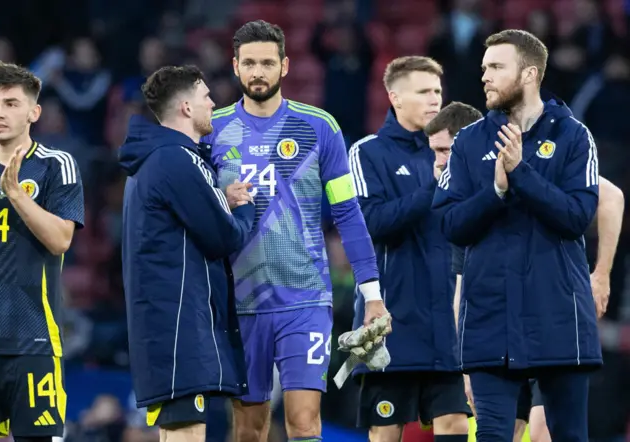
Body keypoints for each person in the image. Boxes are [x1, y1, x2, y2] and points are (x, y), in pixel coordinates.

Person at [202, 20, 388, 442]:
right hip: (238, 302)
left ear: (285, 66)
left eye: (267, 62)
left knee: (304, 422)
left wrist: (372, 296)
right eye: (249, 63)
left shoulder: (319, 127)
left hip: (305, 297)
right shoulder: (210, 131)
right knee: (249, 426)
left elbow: (349, 216)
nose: (258, 72)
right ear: (234, 66)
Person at [432, 28, 602, 442]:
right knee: (492, 435)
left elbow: (577, 217)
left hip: (559, 321)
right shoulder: (469, 143)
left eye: (495, 67)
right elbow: (449, 223)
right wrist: (495, 191)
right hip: (490, 322)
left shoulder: (574, 137)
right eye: (483, 67)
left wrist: (521, 174)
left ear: (529, 74)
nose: (485, 76)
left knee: (569, 437)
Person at [119, 65, 255, 442]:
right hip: (178, 322)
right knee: (187, 434)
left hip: (163, 320)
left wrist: (218, 200)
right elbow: (223, 237)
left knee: (176, 432)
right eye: (205, 96)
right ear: (185, 107)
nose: (213, 102)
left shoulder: (155, 160)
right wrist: (243, 209)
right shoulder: (179, 159)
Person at [347, 57, 472, 442]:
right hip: (391, 324)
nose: (435, 100)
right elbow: (370, 223)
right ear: (395, 97)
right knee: (386, 432)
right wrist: (433, 186)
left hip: (447, 324)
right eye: (423, 92)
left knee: (455, 422)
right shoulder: (368, 153)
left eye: (437, 90)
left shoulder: (457, 150)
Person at [0, 62, 84, 441]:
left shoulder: (55, 166)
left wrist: (15, 194)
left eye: (11, 103)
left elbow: (61, 239)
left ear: (34, 112)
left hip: (33, 339)